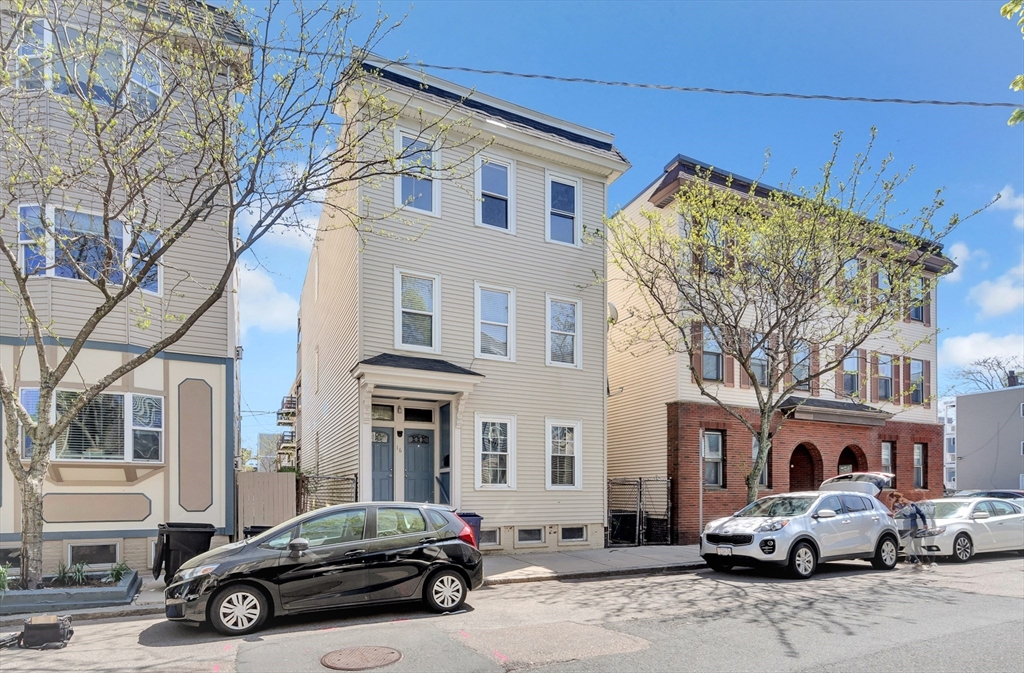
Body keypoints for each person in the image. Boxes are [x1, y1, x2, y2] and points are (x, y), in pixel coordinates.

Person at [889, 492, 935, 570]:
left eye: (890, 499)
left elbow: (899, 515)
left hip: (906, 526)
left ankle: (917, 561)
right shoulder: (910, 503)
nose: (889, 501)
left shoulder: (897, 504)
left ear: (894, 498)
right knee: (909, 544)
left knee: (906, 544)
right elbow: (921, 513)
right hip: (914, 525)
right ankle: (911, 560)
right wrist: (925, 523)